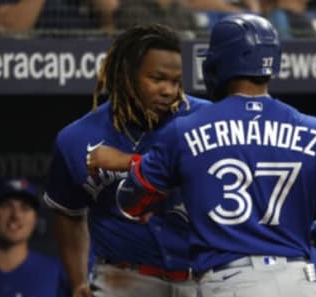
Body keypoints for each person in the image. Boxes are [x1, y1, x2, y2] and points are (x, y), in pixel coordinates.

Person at [86, 13, 316, 297]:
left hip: (231, 281)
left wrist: (177, 192)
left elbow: (132, 200)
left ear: (218, 64)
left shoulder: (184, 131)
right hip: (300, 281)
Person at [43, 24, 211, 297]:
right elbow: (68, 213)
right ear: (126, 76)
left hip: (202, 278)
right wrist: (77, 281)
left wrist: (127, 162)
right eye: (157, 79)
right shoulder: (75, 138)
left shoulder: (205, 121)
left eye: (176, 81)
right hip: (124, 279)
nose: (169, 91)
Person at [0, 177, 66, 297]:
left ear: (36, 218)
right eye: (6, 206)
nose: (16, 215)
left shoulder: (58, 274)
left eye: (25, 208)